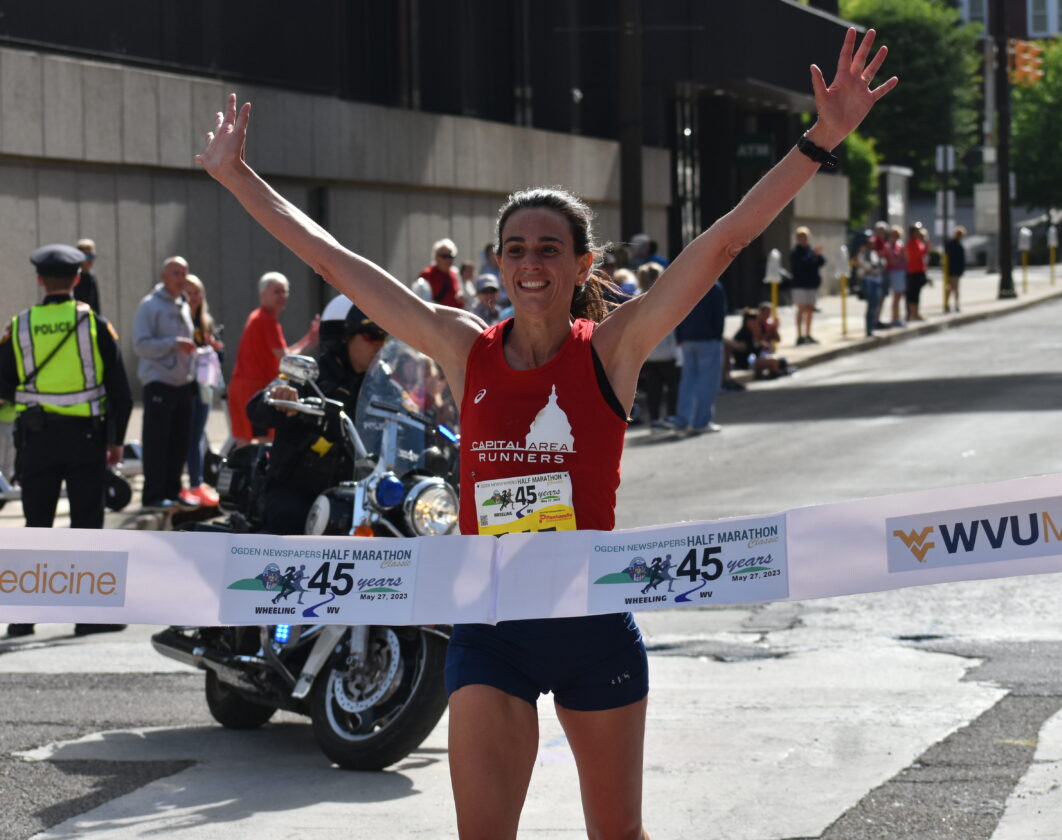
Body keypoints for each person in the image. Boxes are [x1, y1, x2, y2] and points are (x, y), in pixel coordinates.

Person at [194, 27, 894, 837]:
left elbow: (726, 240)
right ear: (498, 262)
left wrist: (820, 140)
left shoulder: (614, 348)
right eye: (517, 249)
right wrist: (237, 176)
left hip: (592, 628)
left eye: (551, 250)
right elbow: (332, 258)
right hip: (491, 632)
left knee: (616, 834)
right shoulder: (463, 347)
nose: (532, 262)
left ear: (582, 265)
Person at [1, 244, 132, 638]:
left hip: (36, 440)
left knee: (36, 524)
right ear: (78, 278)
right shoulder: (95, 324)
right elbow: (121, 392)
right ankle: (87, 615)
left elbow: (3, 383)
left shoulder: (19, 326)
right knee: (85, 525)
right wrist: (116, 441)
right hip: (86, 439)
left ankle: (22, 618)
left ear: (40, 280)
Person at [246, 302, 386, 534]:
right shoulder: (310, 376)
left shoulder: (380, 383)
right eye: (372, 336)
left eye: (384, 338)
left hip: (358, 491)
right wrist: (279, 396)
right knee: (288, 522)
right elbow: (257, 407)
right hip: (300, 489)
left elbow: (408, 414)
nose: (380, 344)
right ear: (343, 337)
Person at [133, 256, 200, 510]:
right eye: (176, 273)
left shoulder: (183, 304)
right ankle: (153, 495)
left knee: (179, 442)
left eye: (184, 273)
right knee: (157, 442)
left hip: (182, 383)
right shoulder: (149, 306)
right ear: (163, 276)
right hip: (158, 381)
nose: (181, 278)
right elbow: (140, 345)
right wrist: (173, 344)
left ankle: (173, 491)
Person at [226, 271, 319, 446]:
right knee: (265, 443)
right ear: (263, 294)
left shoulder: (259, 317)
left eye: (285, 291)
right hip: (253, 389)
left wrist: (310, 339)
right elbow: (287, 360)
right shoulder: (266, 320)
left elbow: (285, 354)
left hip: (244, 387)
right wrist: (312, 341)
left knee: (245, 442)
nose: (282, 296)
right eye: (277, 291)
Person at [183, 274, 224, 507]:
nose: (193, 297)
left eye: (197, 292)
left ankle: (196, 483)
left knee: (198, 435)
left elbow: (219, 357)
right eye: (188, 292)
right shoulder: (181, 320)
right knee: (191, 436)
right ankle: (194, 483)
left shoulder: (206, 322)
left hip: (204, 386)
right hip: (187, 387)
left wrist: (215, 348)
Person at [668, 282, 727, 434]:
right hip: (708, 339)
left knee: (687, 382)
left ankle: (682, 420)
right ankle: (701, 422)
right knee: (707, 383)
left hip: (687, 338)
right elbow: (719, 314)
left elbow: (678, 311)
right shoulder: (714, 287)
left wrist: (680, 336)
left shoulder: (686, 284)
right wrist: (717, 336)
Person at [635, 262, 679, 428]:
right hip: (666, 350)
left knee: (653, 388)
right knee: (673, 385)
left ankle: (654, 419)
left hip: (647, 352)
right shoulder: (665, 297)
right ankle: (671, 415)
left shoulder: (637, 299)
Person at [790, 226, 825, 345]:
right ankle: (799, 336)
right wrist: (813, 255)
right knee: (801, 309)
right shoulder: (795, 252)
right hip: (800, 285)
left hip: (811, 284)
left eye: (805, 237)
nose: (803, 239)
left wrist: (817, 254)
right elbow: (801, 265)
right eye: (800, 237)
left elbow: (822, 262)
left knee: (810, 310)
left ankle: (808, 334)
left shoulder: (811, 250)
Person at [418, 238, 465, 308]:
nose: (448, 259)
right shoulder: (427, 274)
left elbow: (460, 292)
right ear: (435, 257)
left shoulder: (455, 273)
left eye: (451, 256)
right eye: (444, 256)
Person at [856, 235, 885, 337]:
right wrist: (874, 268)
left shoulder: (874, 253)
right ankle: (869, 329)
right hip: (868, 282)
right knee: (871, 305)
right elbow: (867, 267)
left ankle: (872, 327)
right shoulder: (862, 254)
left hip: (876, 281)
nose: (872, 245)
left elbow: (880, 265)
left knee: (875, 305)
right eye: (870, 243)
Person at [904, 222, 930, 322]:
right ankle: (912, 313)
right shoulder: (911, 243)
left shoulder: (919, 242)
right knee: (912, 294)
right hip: (913, 271)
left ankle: (916, 312)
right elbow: (915, 256)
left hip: (920, 270)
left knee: (917, 293)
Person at [884, 224, 906, 327]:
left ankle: (897, 317)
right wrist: (900, 257)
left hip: (901, 271)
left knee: (899, 296)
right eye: (893, 235)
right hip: (894, 272)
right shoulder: (888, 246)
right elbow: (893, 260)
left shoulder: (899, 245)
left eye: (897, 235)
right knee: (896, 297)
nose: (895, 237)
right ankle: (894, 318)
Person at [74, 238, 101, 313]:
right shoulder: (73, 277)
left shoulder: (92, 276)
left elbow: (95, 305)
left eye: (92, 256)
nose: (90, 260)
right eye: (87, 256)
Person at [944, 226, 966, 313]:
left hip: (954, 270)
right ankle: (949, 304)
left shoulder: (957, 245)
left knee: (953, 288)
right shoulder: (953, 244)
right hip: (951, 269)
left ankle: (954, 304)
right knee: (951, 288)